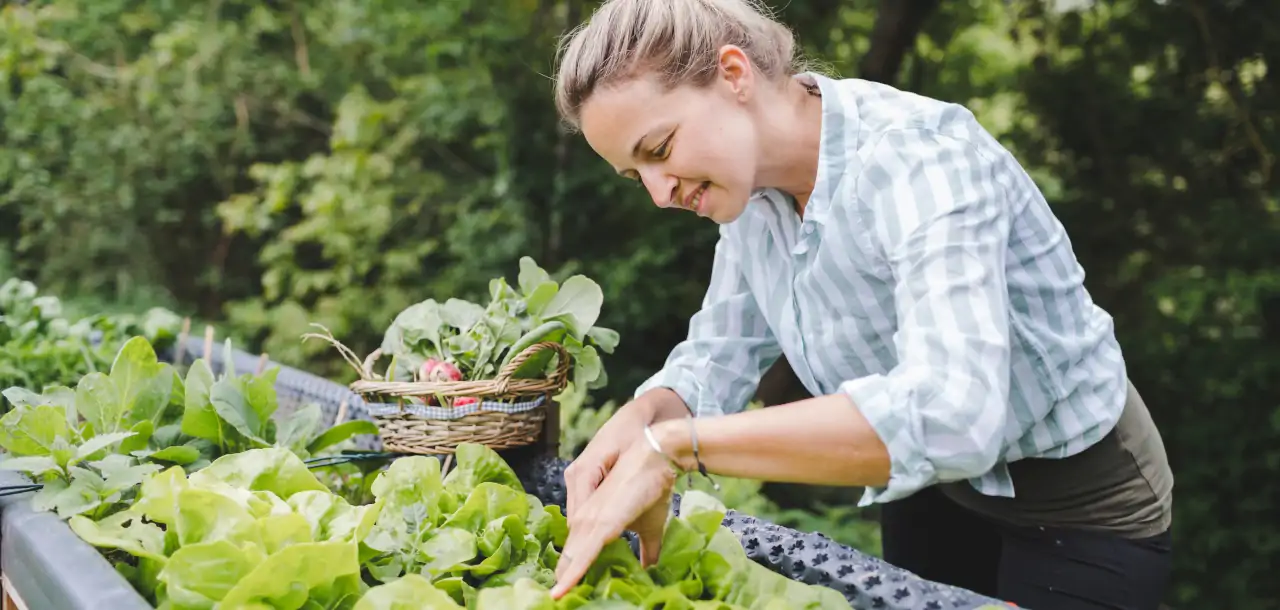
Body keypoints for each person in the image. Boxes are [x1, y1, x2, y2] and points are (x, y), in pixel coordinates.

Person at [547, 0, 1175, 608]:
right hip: (928, 485)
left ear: (734, 75)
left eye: (659, 150)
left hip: (1077, 501)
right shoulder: (749, 194)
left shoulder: (918, 160)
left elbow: (953, 415)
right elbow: (718, 353)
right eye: (636, 175)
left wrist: (677, 448)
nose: (659, 194)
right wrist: (646, 417)